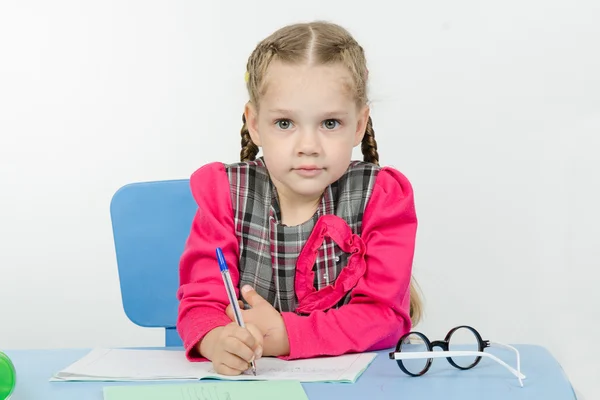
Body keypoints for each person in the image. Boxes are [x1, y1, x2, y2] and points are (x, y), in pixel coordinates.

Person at [176, 20, 422, 376]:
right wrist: (217, 340)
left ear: (359, 124)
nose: (308, 146)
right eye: (285, 123)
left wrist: (286, 336)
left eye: (330, 123)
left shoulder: (381, 197)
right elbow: (201, 303)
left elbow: (383, 318)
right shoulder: (225, 195)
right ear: (255, 123)